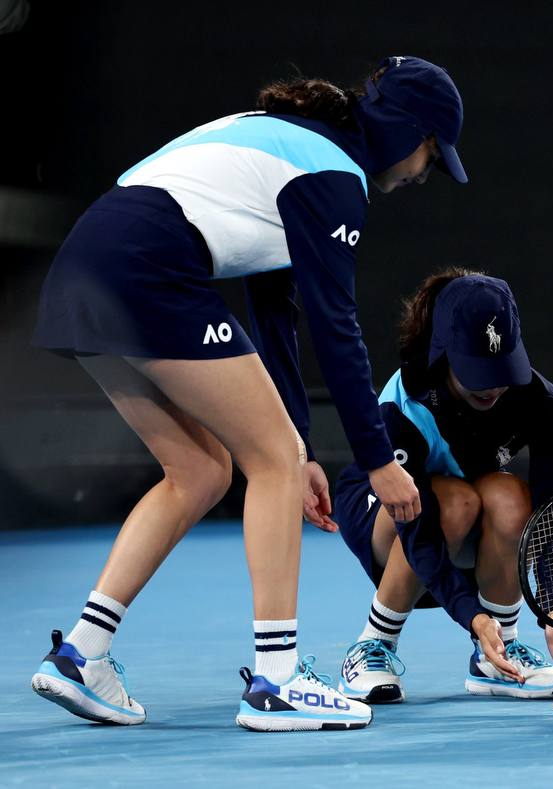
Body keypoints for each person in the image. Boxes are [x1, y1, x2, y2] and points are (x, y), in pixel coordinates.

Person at [29, 55, 469, 732]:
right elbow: (336, 328)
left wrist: (302, 446)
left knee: (201, 469)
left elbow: (274, 311)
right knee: (271, 460)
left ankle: (81, 653)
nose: (422, 173)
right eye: (432, 156)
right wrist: (377, 460)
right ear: (410, 131)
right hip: (148, 269)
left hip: (83, 271)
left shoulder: (294, 143)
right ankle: (277, 680)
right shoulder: (334, 175)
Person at [332, 270, 553, 704]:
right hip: (389, 517)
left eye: (501, 368)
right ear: (444, 353)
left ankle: (498, 655)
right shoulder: (403, 407)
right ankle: (374, 643)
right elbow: (420, 533)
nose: (493, 385)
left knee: (512, 497)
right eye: (476, 370)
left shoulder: (546, 405)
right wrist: (472, 616)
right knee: (453, 501)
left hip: (466, 522)